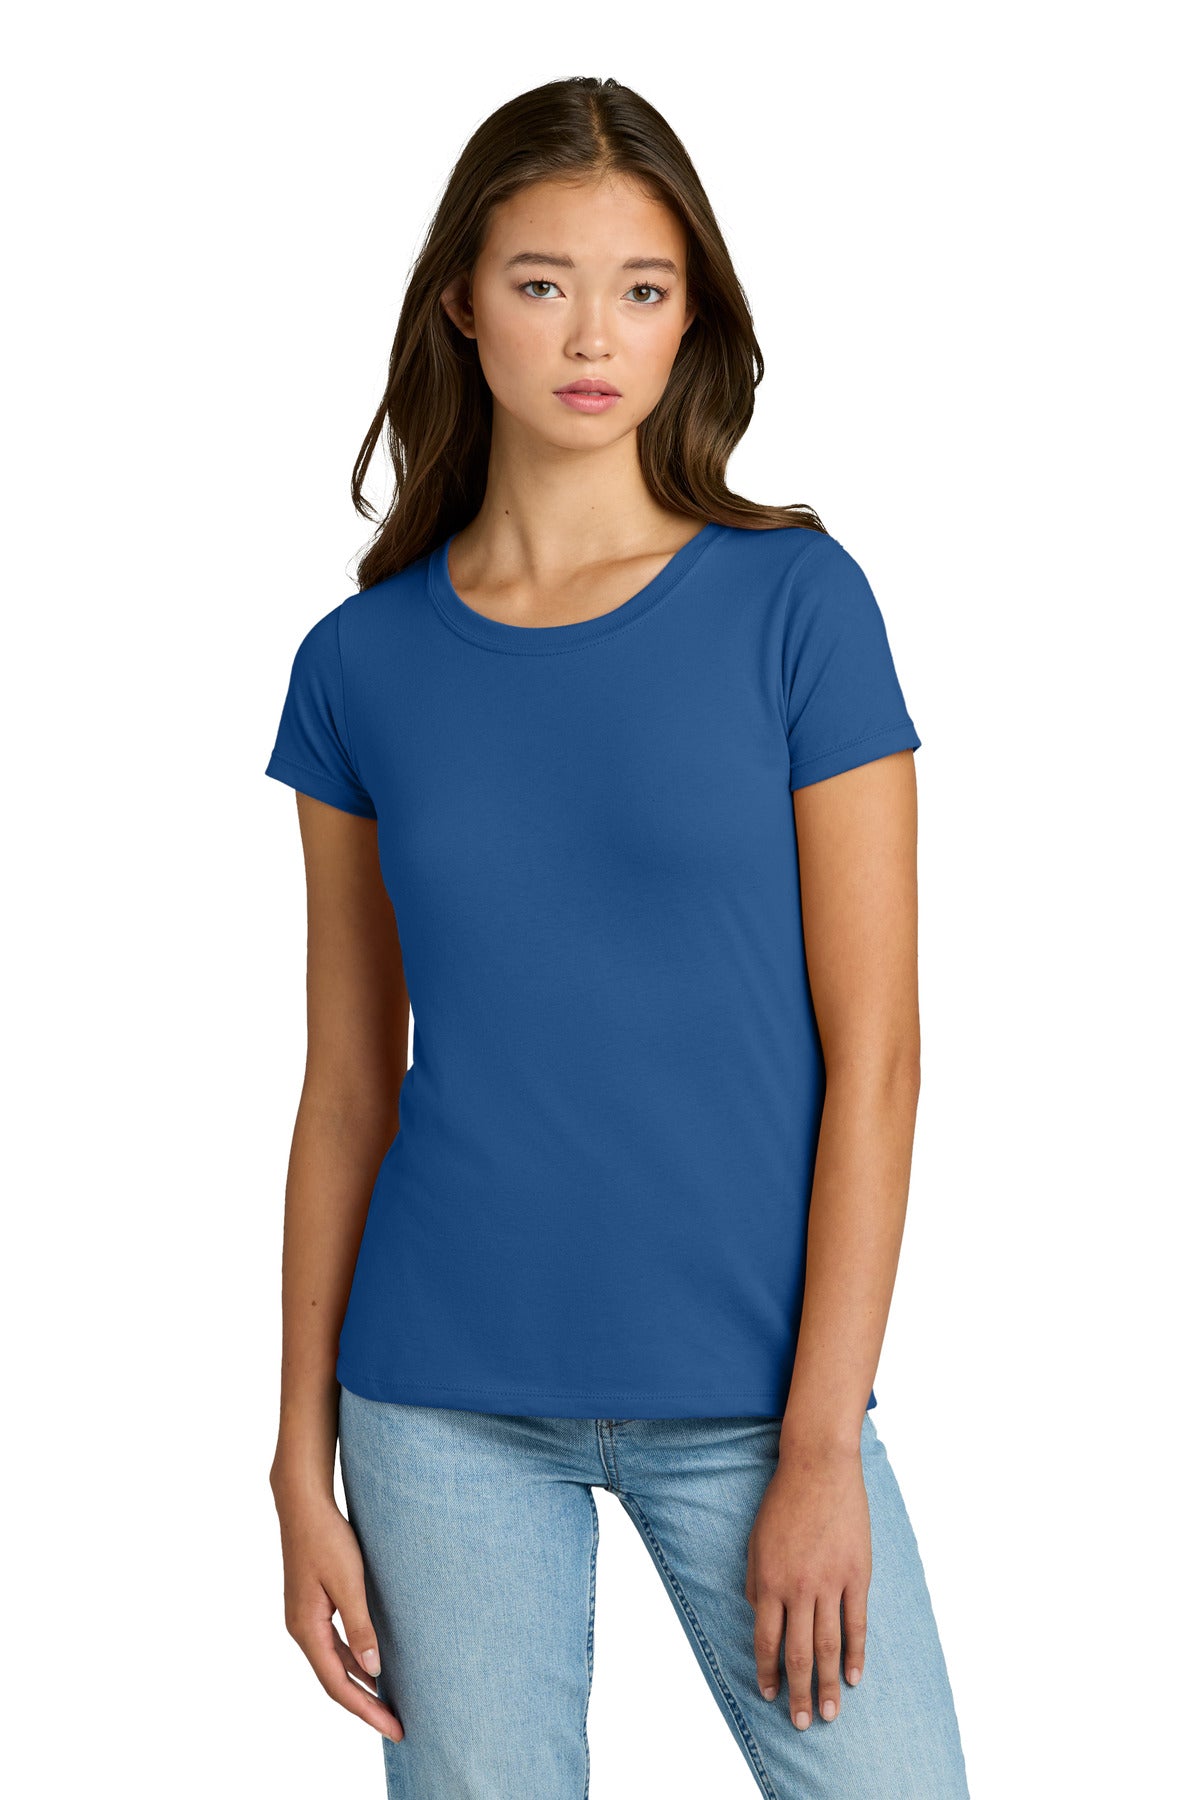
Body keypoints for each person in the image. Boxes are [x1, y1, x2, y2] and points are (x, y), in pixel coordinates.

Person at [264, 74, 970, 1800]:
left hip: (756, 1398)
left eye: (643, 289)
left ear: (689, 319)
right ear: (463, 303)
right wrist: (297, 1456)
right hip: (438, 1401)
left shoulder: (797, 605)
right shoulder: (360, 666)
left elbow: (879, 1060)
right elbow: (349, 1083)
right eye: (543, 282)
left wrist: (824, 1442)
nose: (595, 335)